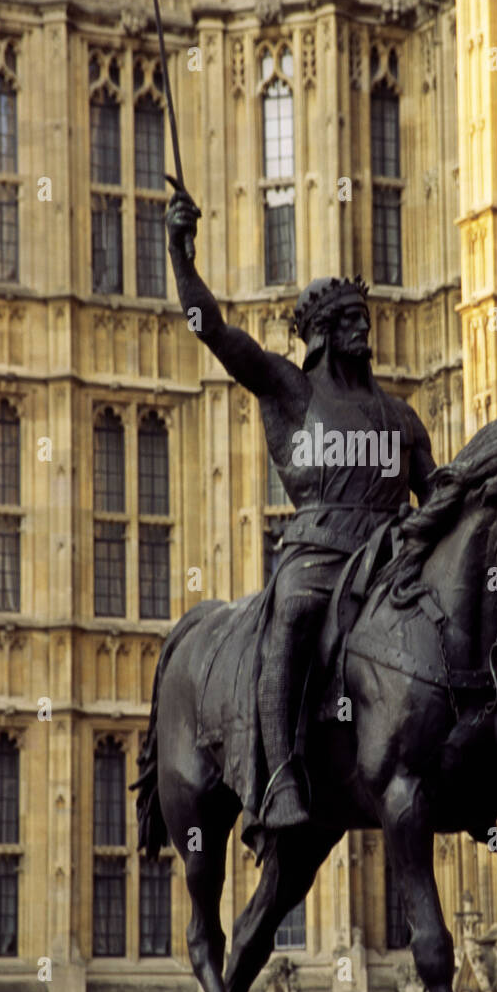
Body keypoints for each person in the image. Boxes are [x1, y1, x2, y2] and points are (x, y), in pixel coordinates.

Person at [166, 188, 435, 828]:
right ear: (319, 334)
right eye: (348, 320)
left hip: (390, 559)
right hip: (316, 554)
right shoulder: (289, 389)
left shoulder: (400, 416)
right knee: (291, 617)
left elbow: (438, 493)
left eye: (363, 318)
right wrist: (181, 257)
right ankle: (280, 776)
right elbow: (217, 334)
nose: (363, 328)